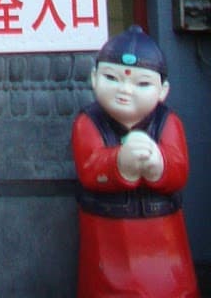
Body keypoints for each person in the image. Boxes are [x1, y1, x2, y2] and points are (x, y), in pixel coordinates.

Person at [72, 25, 197, 298]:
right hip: (108, 233)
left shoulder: (168, 122)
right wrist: (120, 163)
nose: (125, 91)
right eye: (112, 78)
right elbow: (89, 168)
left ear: (162, 90)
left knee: (172, 289)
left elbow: (179, 168)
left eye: (142, 84)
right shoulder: (88, 122)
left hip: (163, 232)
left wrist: (158, 164)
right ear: (94, 79)